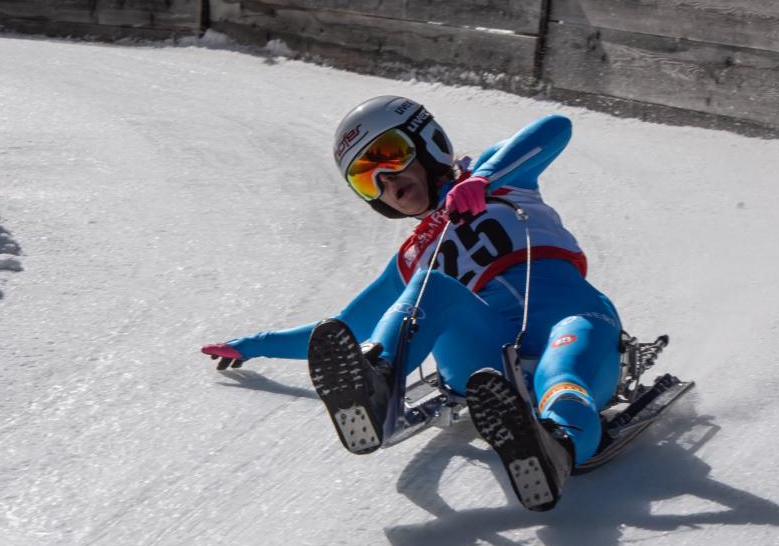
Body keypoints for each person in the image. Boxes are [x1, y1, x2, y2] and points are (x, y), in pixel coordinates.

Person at [204, 96, 625, 511]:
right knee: (430, 285)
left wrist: (484, 181)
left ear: (428, 142)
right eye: (368, 179)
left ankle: (557, 448)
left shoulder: (499, 173)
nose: (387, 181)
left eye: (390, 156)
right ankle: (378, 385)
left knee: (562, 372)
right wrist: (255, 344)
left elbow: (556, 128)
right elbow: (344, 329)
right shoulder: (412, 257)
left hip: (571, 317)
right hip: (486, 357)